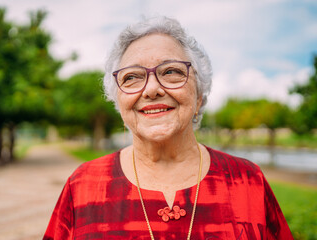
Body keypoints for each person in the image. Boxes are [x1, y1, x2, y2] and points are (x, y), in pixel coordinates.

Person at [43, 16, 293, 240]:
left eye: (171, 71)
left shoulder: (248, 181)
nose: (152, 89)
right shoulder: (84, 184)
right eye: (132, 77)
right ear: (119, 103)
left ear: (198, 96)